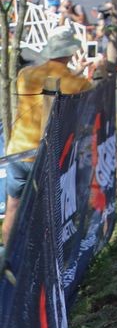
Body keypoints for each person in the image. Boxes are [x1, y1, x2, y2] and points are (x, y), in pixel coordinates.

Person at [2, 27, 93, 247]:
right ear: (71, 52)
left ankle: (8, 258)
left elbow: (50, 85)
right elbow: (82, 102)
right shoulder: (78, 84)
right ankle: (49, 256)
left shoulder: (26, 75)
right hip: (49, 156)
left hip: (17, 151)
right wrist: (78, 74)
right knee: (51, 208)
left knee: (13, 205)